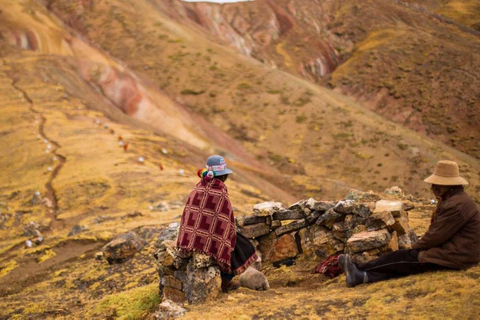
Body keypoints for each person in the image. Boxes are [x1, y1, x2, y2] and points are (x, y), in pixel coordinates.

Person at [339, 160, 480, 287]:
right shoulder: (457, 200)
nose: (434, 188)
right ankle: (362, 276)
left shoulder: (455, 205)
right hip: (459, 252)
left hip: (456, 256)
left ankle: (360, 269)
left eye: (438, 184)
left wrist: (415, 248)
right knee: (403, 264)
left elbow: (436, 236)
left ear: (450, 185)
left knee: (402, 258)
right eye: (434, 184)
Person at [176, 155, 258, 293]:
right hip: (206, 241)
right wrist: (228, 237)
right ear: (223, 176)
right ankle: (226, 282)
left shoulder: (197, 189)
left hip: (190, 239)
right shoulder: (220, 193)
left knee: (234, 244)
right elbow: (228, 224)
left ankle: (225, 280)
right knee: (242, 247)